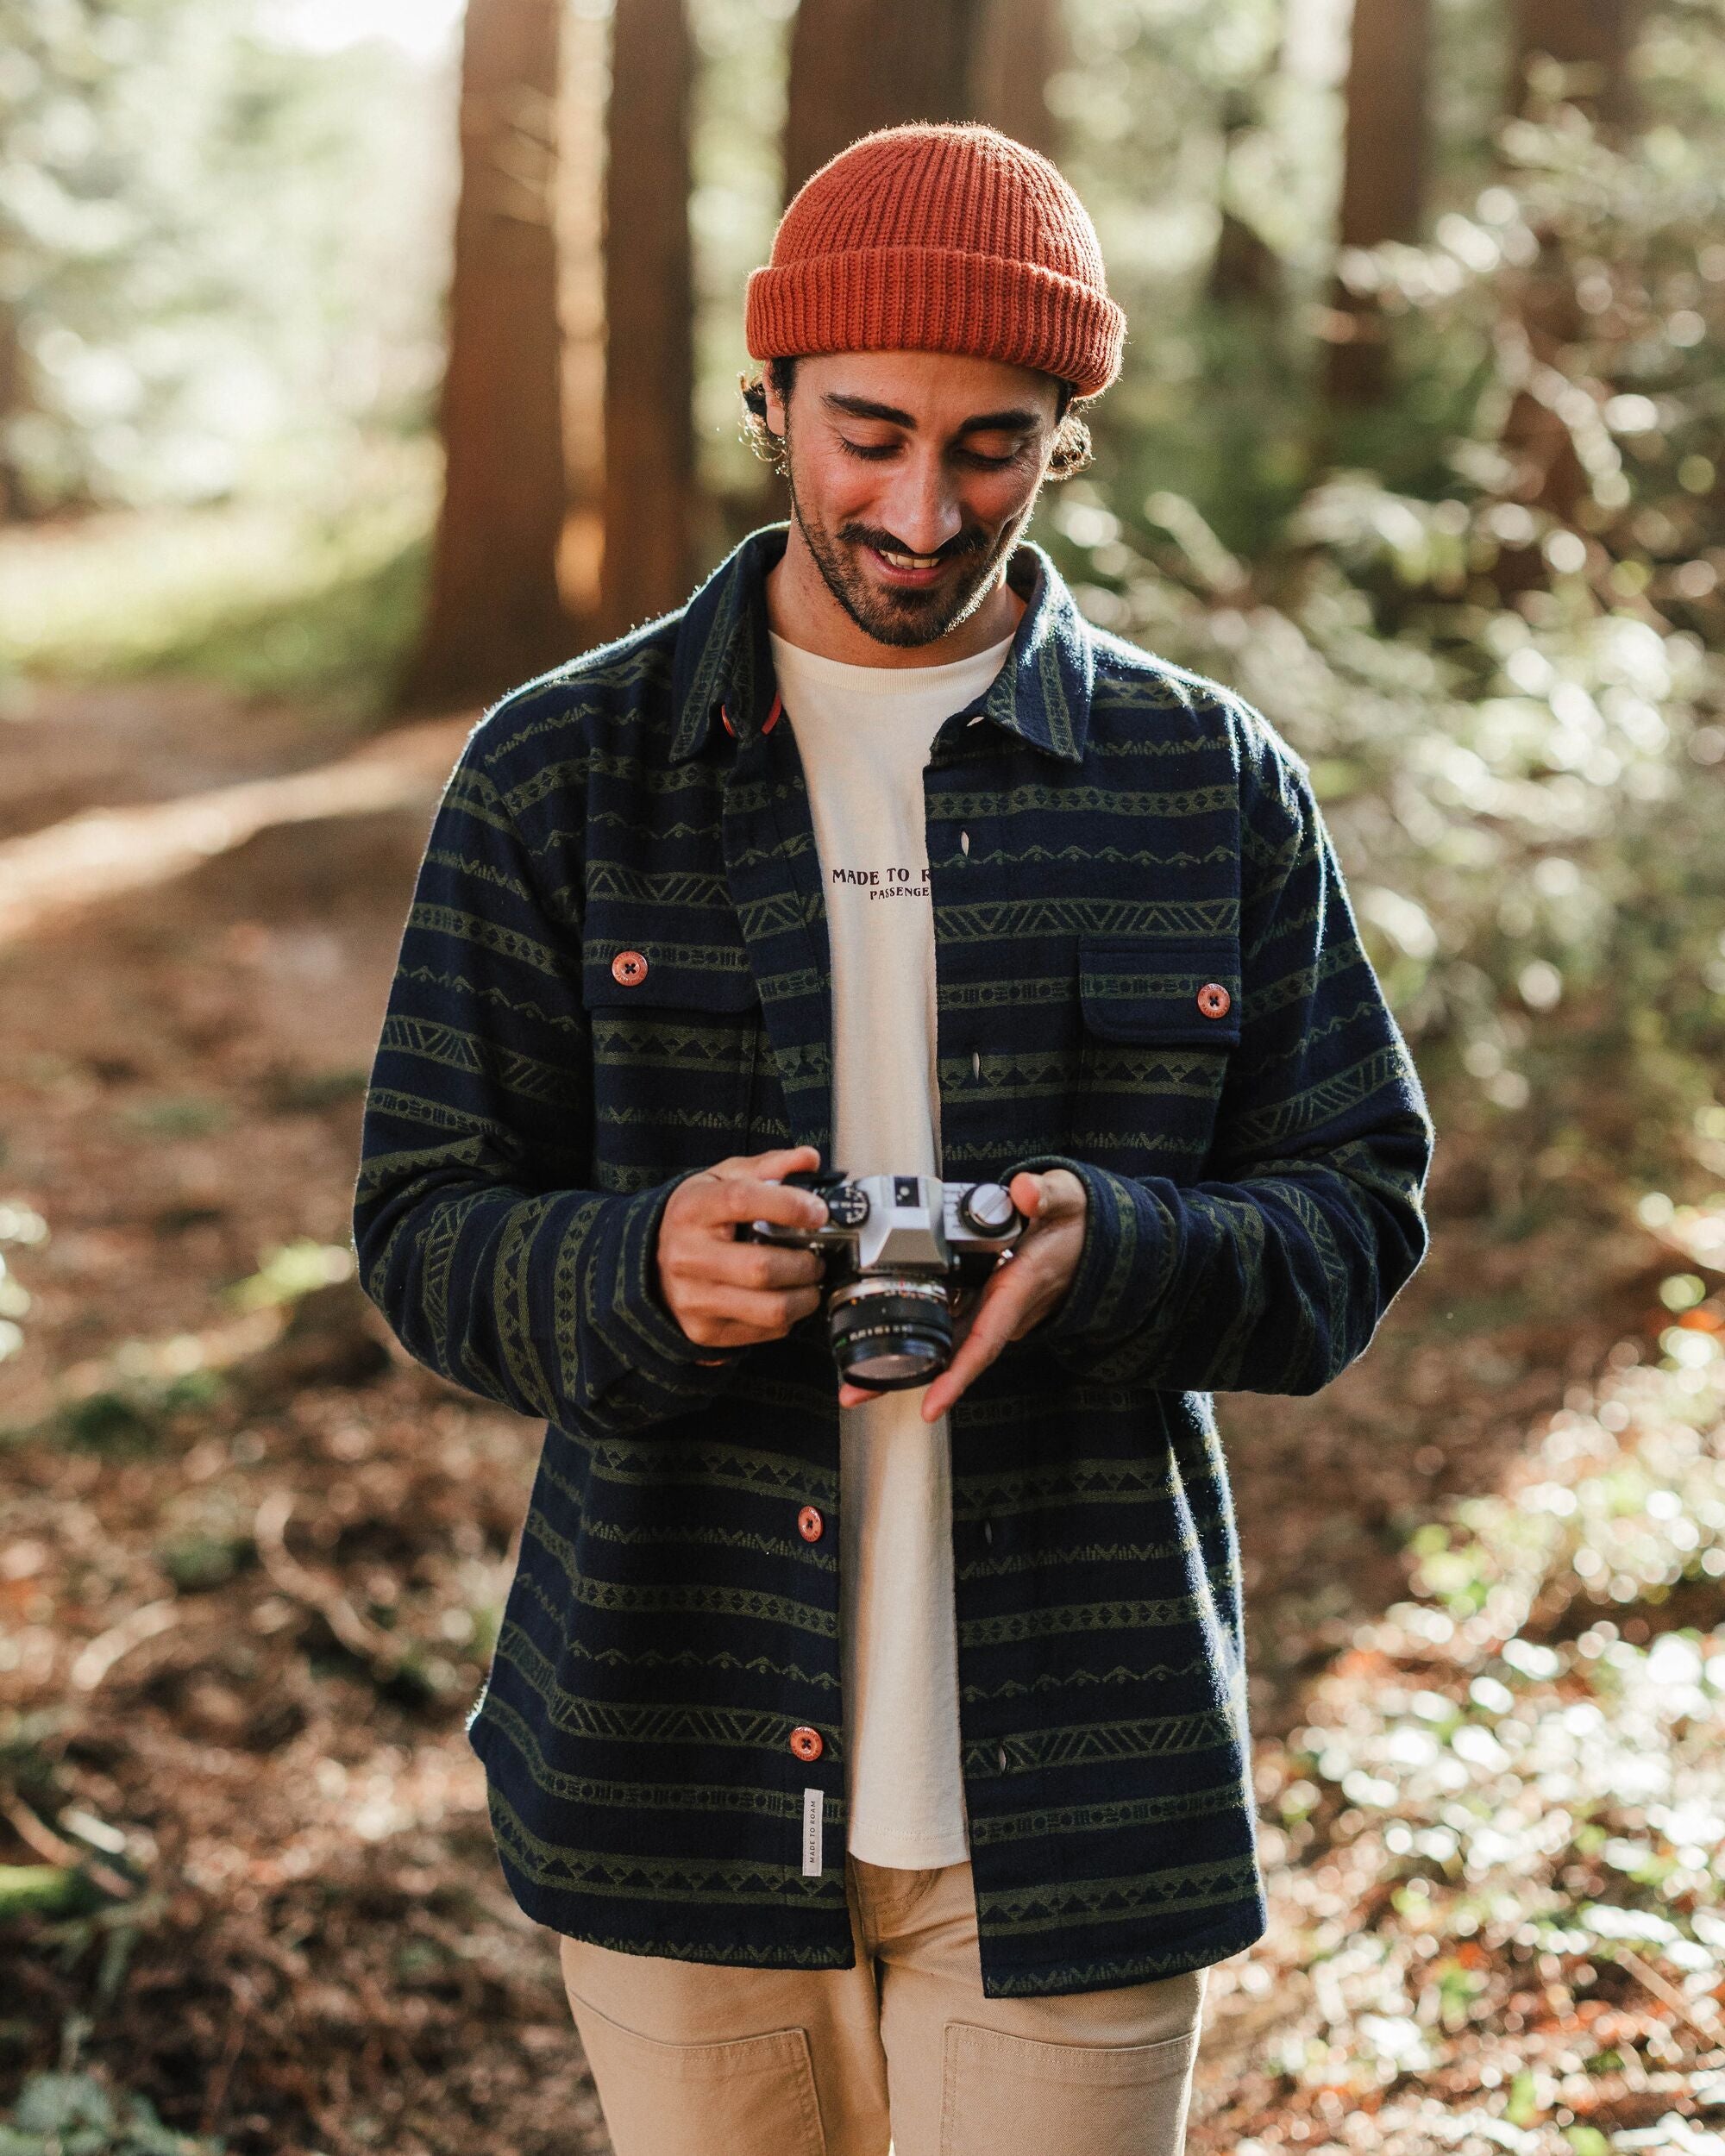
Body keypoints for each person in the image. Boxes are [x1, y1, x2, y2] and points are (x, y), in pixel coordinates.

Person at [354, 121, 1433, 2156]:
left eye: (992, 446)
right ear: (765, 401)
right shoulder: (564, 770)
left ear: (1064, 441)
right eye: (864, 433)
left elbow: (1354, 1216)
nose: (922, 509)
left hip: (1079, 1773)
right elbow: (422, 1221)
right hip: (673, 1737)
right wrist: (631, 1265)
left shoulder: (1205, 782)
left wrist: (1114, 1251)